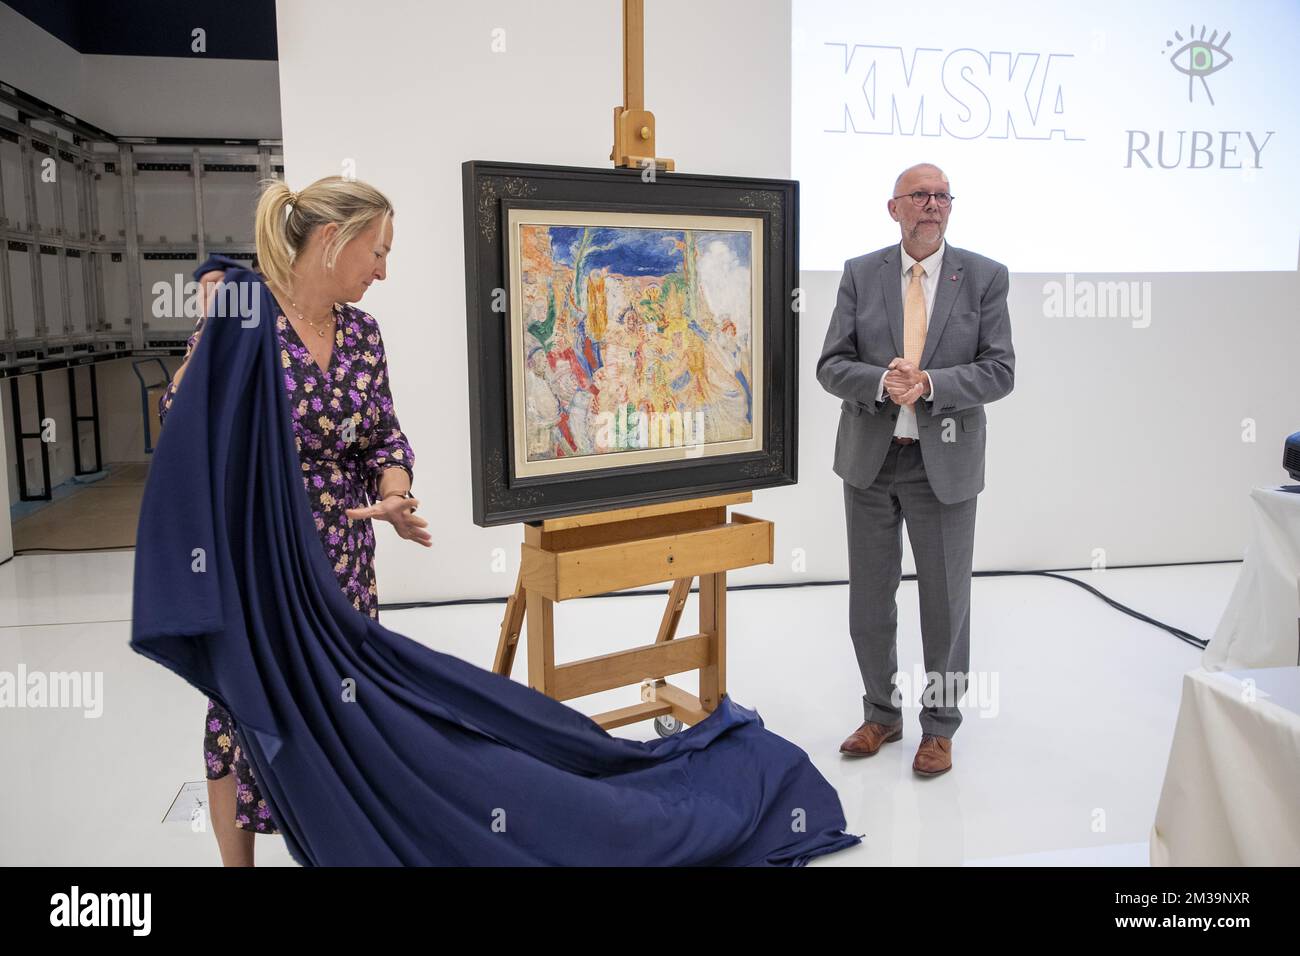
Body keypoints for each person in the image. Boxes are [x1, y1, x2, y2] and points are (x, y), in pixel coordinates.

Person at [157, 175, 431, 864]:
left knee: (341, 710)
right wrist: (209, 344)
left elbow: (383, 439)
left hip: (342, 561)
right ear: (334, 239)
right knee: (238, 717)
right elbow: (182, 419)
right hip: (257, 556)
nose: (383, 271)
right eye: (378, 252)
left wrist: (395, 492)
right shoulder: (245, 315)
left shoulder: (362, 334)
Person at [815, 163, 1015, 776]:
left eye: (941, 196)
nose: (932, 204)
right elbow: (831, 365)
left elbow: (1000, 370)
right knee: (870, 600)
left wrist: (929, 383)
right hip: (871, 462)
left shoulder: (984, 276)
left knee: (945, 604)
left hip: (944, 466)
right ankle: (881, 714)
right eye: (919, 196)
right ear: (894, 207)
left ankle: (940, 727)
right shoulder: (860, 273)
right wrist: (883, 380)